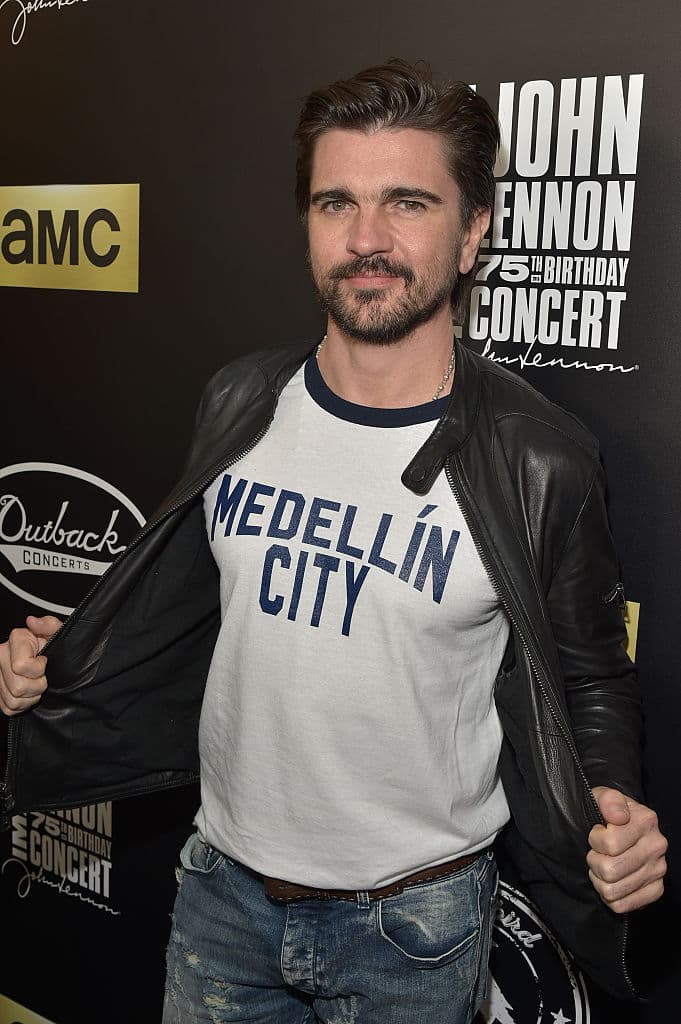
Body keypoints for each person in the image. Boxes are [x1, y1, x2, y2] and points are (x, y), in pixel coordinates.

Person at [0, 60, 668, 1024]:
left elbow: (591, 672)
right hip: (218, 893)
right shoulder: (240, 399)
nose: (365, 240)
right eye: (335, 203)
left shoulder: (540, 458)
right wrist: (58, 670)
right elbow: (184, 608)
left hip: (416, 924)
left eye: (407, 203)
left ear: (473, 232)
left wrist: (613, 807)